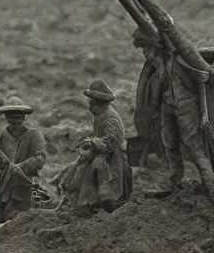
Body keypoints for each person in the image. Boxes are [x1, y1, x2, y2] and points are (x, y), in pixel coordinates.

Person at [132, 30, 214, 201]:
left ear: (156, 47)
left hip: (186, 109)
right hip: (168, 109)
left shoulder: (179, 62)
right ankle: (174, 182)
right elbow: (154, 95)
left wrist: (204, 77)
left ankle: (210, 186)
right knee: (170, 145)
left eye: (146, 48)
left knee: (194, 147)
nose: (144, 52)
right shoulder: (155, 69)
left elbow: (201, 77)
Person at [52, 80, 132, 214]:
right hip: (101, 152)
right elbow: (97, 133)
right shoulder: (100, 115)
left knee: (98, 167)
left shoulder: (110, 117)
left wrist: (94, 143)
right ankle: (81, 201)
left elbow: (111, 142)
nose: (89, 106)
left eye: (92, 102)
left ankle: (102, 202)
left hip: (112, 159)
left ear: (100, 103)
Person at [0, 96, 46, 227]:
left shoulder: (34, 136)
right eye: (11, 114)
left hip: (27, 191)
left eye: (19, 114)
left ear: (24, 116)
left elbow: (40, 158)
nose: (15, 118)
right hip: (2, 195)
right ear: (6, 117)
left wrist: (21, 167)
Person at [132, 28, 166, 167]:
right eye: (142, 47)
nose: (144, 51)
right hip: (150, 118)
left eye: (147, 46)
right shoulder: (149, 68)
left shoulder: (165, 68)